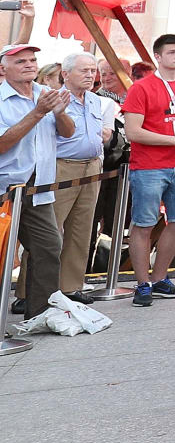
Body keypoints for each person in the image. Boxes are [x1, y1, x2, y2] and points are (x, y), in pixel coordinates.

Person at [120, 34, 175, 308]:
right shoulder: (141, 88)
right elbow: (133, 132)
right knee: (143, 225)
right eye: (172, 52)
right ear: (158, 57)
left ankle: (159, 279)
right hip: (149, 166)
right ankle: (142, 284)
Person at [1, 43, 71, 321]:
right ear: (3, 68)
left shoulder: (45, 94)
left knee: (49, 246)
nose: (29, 64)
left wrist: (60, 113)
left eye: (32, 60)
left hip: (39, 186)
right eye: (20, 61)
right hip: (6, 188)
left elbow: (68, 132)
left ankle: (40, 314)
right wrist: (39, 112)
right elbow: (3, 143)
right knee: (3, 254)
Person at [50, 53, 113, 303]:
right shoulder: (54, 99)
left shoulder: (96, 100)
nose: (90, 75)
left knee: (82, 229)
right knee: (50, 230)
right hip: (62, 167)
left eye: (92, 71)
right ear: (65, 74)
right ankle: (31, 291)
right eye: (84, 70)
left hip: (92, 167)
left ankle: (70, 286)